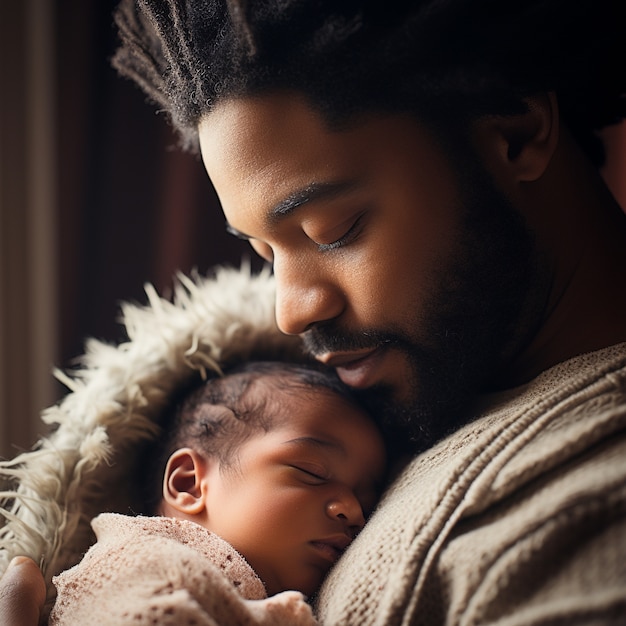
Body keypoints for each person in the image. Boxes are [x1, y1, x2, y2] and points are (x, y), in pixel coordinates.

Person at [4, 0, 626, 623]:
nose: (291, 313)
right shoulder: (389, 389)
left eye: (334, 230)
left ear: (514, 134)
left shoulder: (588, 499)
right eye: (264, 252)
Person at [47, 360, 386, 625]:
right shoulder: (139, 559)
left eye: (366, 502)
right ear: (189, 484)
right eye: (311, 473)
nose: (352, 510)